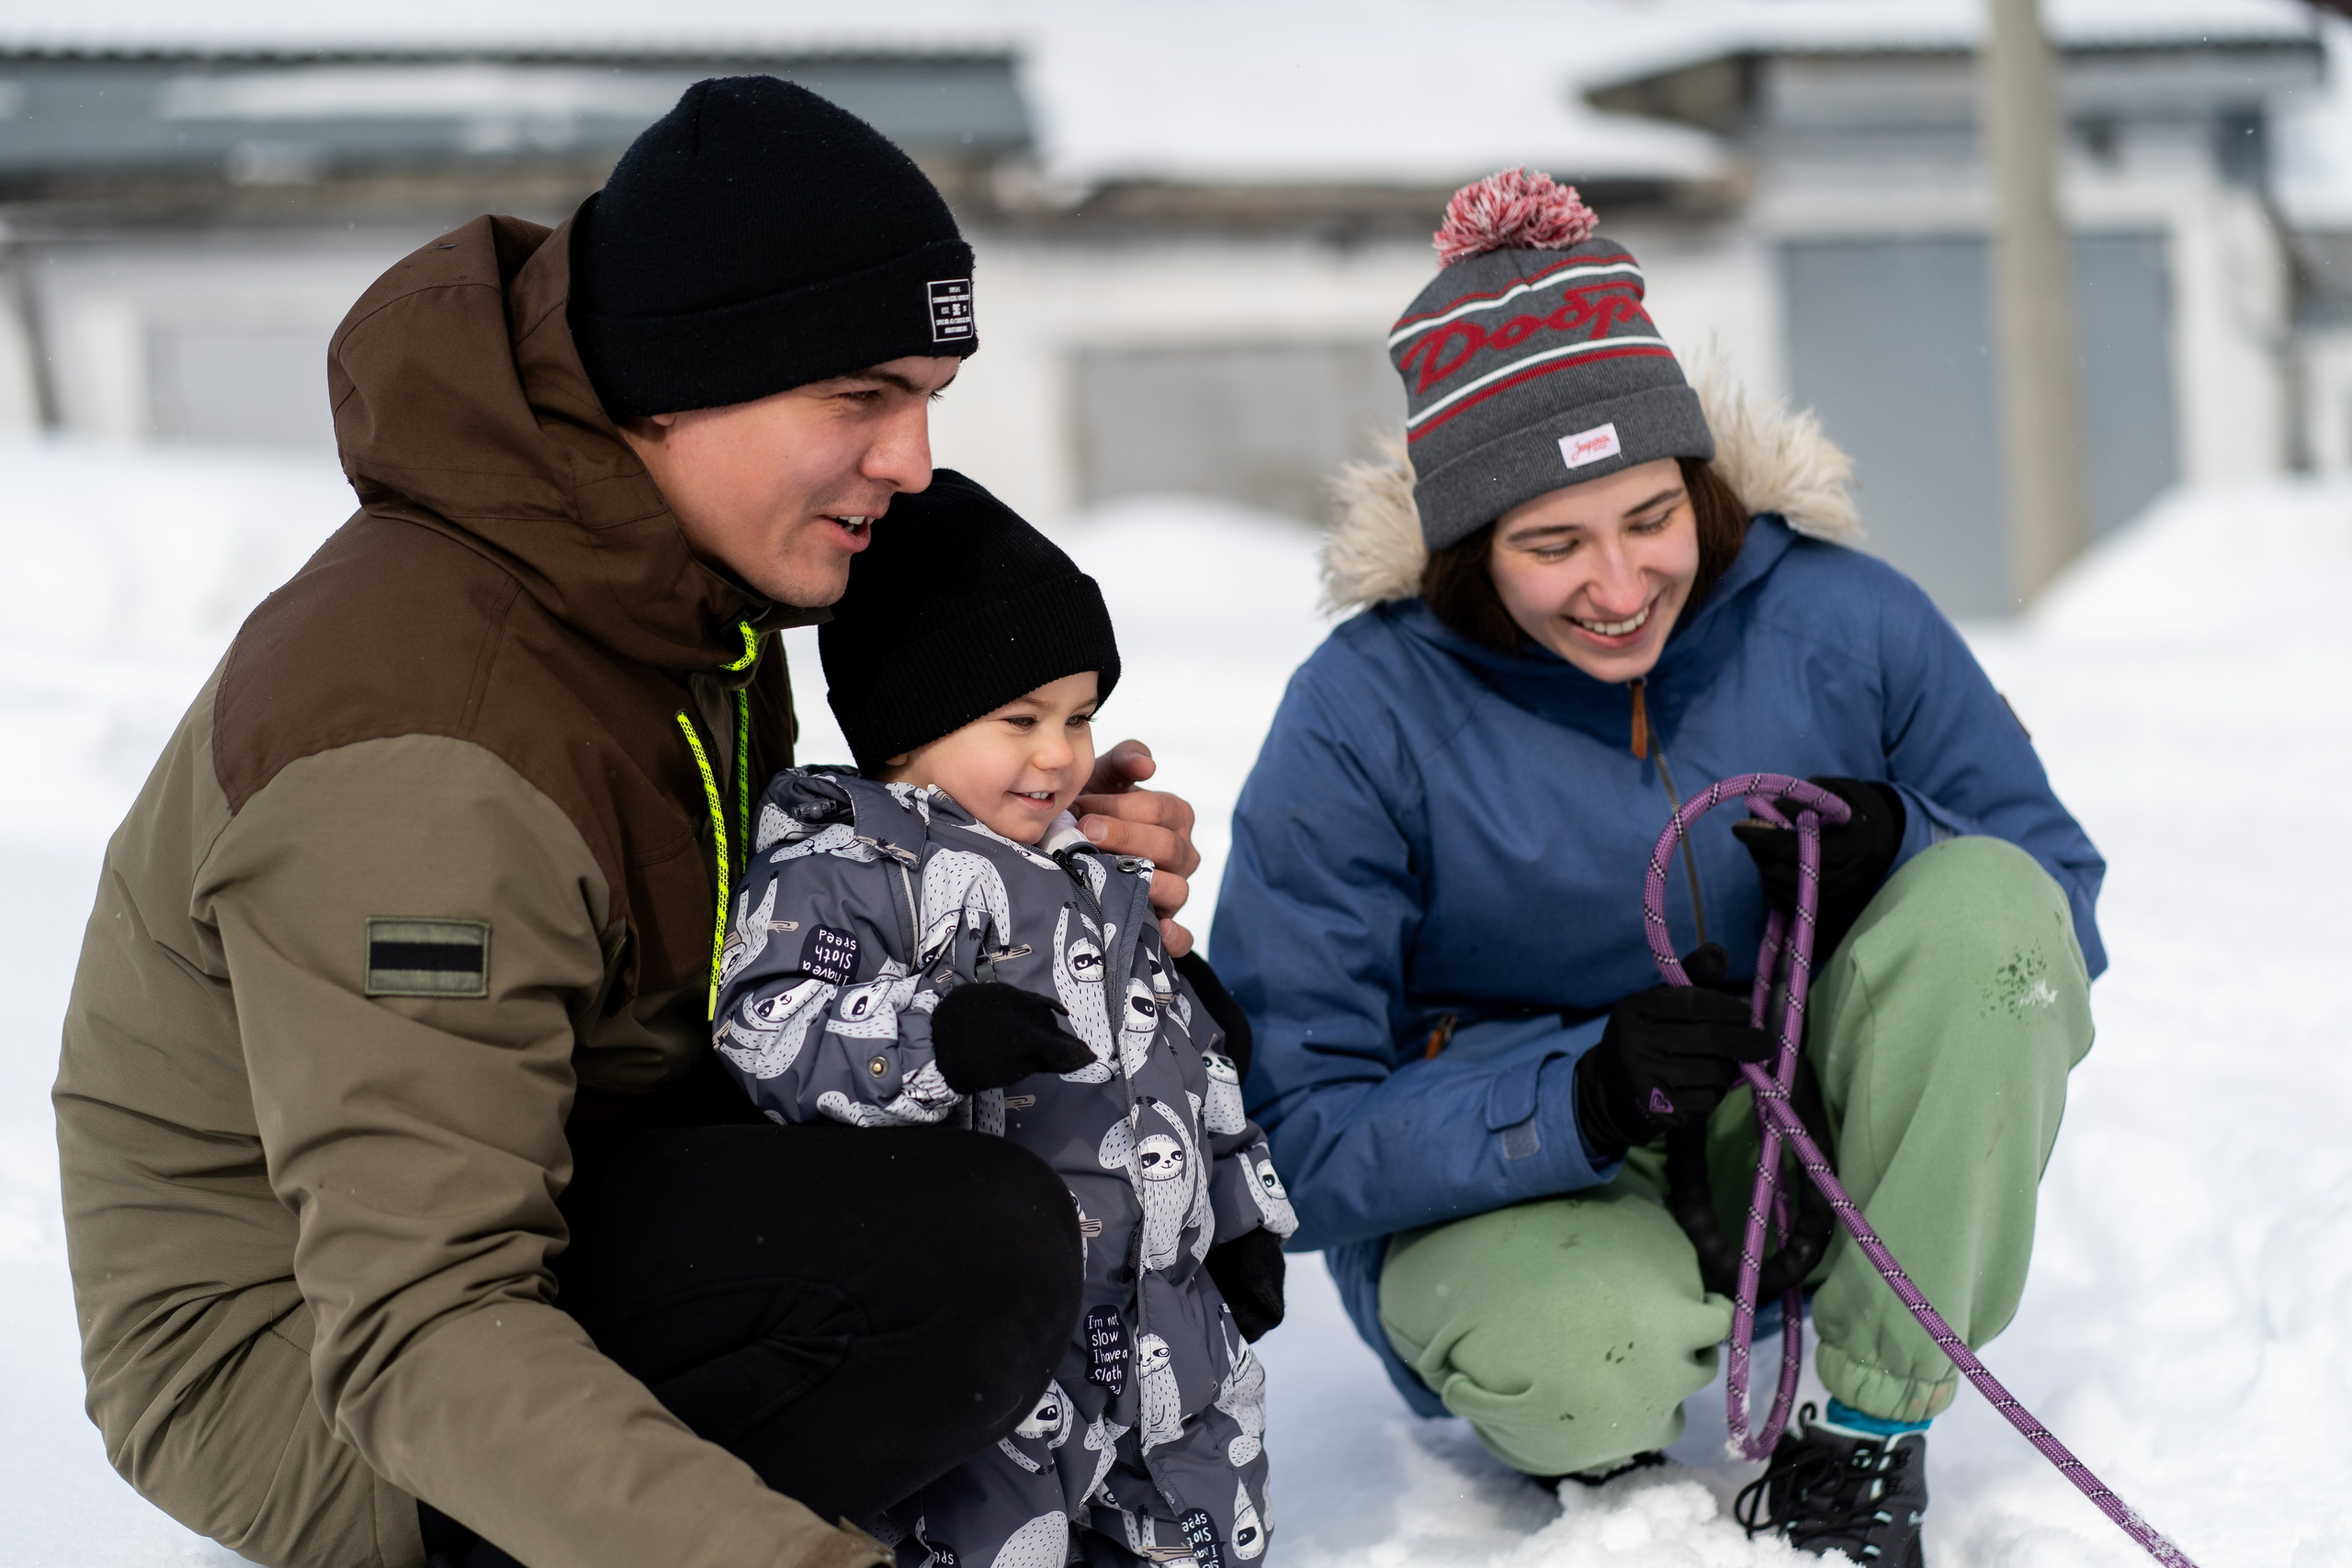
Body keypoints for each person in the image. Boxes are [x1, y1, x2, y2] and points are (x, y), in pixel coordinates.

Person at [52, 79, 1203, 1568]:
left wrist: (1025, 870)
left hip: (571, 1178)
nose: (913, 461)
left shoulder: (677, 599)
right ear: (673, 386)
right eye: (862, 397)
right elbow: (421, 1321)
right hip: (311, 1361)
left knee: (981, 1179)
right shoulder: (432, 751)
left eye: (930, 399)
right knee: (952, 1253)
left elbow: (753, 952)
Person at [1211, 170, 2104, 1566]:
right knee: (1588, 1349)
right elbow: (1290, 1131)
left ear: (1697, 482)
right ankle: (1608, 1425)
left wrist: (1902, 842)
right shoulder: (1361, 714)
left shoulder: (1842, 617)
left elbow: (2050, 913)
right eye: (1551, 543)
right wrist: (1578, 1091)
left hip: (1796, 1140)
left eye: (1649, 519)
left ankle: (1871, 1431)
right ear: (1466, 548)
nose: (1618, 586)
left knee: (1986, 909)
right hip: (1526, 1188)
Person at [712, 469, 1293, 1568]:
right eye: (1018, 719)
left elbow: (1185, 1061)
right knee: (985, 1533)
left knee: (1200, 1518)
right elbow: (767, 1027)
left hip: (1161, 1306)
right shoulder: (845, 868)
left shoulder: (1096, 868)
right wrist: (932, 1036)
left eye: (1079, 716)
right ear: (906, 727)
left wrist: (1244, 1214)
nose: (1059, 753)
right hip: (1000, 1327)